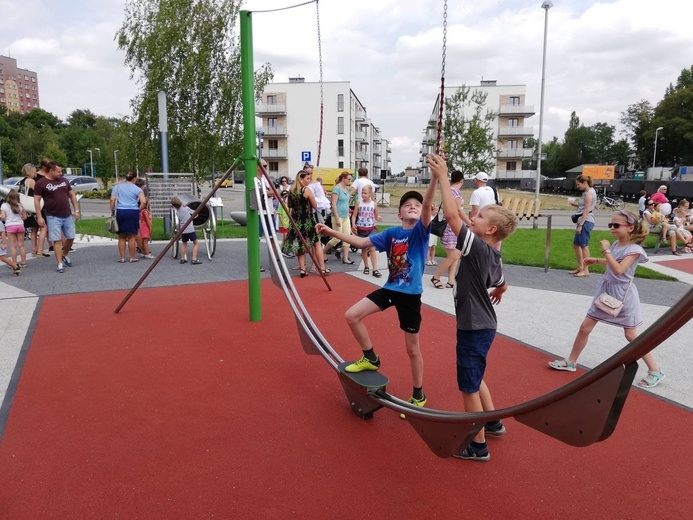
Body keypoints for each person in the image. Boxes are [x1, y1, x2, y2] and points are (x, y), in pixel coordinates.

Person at [316, 182, 435, 415]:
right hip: (391, 289)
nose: (413, 207)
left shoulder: (420, 233)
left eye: (417, 206)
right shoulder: (391, 233)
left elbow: (429, 205)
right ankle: (370, 357)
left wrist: (434, 178)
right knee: (352, 315)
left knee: (412, 349)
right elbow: (361, 243)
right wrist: (332, 232)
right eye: (408, 205)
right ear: (399, 214)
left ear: (422, 213)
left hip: (410, 296)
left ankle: (418, 394)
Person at [429, 153, 518, 462]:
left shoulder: (476, 246)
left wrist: (443, 177)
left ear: (489, 231)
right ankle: (492, 421)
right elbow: (502, 281)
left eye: (478, 218)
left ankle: (477, 445)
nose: (472, 218)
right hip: (484, 325)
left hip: (474, 326)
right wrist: (501, 291)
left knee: (468, 385)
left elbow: (453, 219)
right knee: (477, 376)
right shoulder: (494, 254)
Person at [549, 210, 665, 389]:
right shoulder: (616, 245)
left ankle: (655, 370)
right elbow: (613, 262)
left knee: (631, 335)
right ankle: (571, 362)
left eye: (616, 225)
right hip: (606, 292)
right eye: (611, 224)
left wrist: (605, 250)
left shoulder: (634, 250)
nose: (611, 228)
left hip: (623, 296)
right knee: (585, 327)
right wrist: (597, 260)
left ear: (630, 228)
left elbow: (619, 269)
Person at [33, 162, 80, 274]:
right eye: (58, 171)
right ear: (51, 171)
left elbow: (72, 195)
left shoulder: (64, 181)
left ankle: (64, 255)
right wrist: (39, 217)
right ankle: (59, 263)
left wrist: (76, 210)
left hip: (67, 214)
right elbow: (36, 200)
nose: (61, 173)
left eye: (61, 171)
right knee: (56, 240)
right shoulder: (41, 183)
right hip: (53, 216)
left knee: (71, 237)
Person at [281, 170, 327, 277]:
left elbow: (290, 206)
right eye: (307, 178)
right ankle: (322, 268)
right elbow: (315, 205)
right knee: (316, 243)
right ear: (301, 179)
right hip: (307, 219)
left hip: (296, 220)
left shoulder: (291, 191)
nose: (309, 180)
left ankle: (302, 269)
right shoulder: (306, 190)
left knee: (300, 243)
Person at [431, 169, 470, 289]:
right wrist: (469, 222)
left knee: (455, 255)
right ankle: (436, 276)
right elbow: (458, 210)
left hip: (451, 227)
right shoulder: (456, 193)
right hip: (453, 227)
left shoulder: (448, 191)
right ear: (462, 181)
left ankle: (451, 280)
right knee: (454, 255)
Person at [111, 170, 146, 263]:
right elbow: (143, 201)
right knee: (131, 236)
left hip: (120, 211)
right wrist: (139, 209)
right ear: (134, 178)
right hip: (132, 211)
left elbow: (112, 200)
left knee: (121, 236)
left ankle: (122, 257)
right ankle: (132, 257)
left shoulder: (117, 187)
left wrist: (112, 210)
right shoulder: (137, 189)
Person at [351, 184, 382, 277]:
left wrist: (378, 217)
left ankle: (375, 269)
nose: (363, 195)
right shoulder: (359, 203)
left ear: (370, 194)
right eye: (362, 193)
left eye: (365, 193)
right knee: (364, 249)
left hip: (371, 229)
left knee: (372, 249)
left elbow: (376, 215)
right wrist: (353, 224)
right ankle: (366, 266)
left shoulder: (374, 204)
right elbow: (354, 215)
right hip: (361, 229)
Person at [568, 175, 596, 277]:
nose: (577, 186)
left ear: (585, 183)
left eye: (578, 184)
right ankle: (580, 267)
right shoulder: (588, 192)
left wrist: (581, 224)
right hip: (584, 220)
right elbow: (584, 206)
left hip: (586, 220)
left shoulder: (589, 193)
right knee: (576, 244)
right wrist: (574, 205)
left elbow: (586, 210)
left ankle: (585, 269)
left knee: (584, 245)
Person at [18, 163, 48, 258]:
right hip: (35, 208)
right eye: (35, 170)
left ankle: (34, 250)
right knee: (43, 228)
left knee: (34, 229)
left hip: (27, 209)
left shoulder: (22, 181)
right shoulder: (31, 181)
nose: (36, 172)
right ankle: (40, 250)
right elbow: (38, 193)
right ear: (31, 171)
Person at [322, 172, 353, 263]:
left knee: (347, 237)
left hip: (345, 216)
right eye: (348, 179)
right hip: (337, 216)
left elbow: (346, 202)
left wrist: (348, 213)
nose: (349, 181)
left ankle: (345, 258)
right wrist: (337, 217)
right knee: (337, 237)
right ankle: (323, 252)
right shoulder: (337, 188)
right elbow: (333, 204)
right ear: (343, 178)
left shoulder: (347, 189)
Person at [1, 190, 28, 268]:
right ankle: (23, 263)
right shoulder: (20, 205)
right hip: (20, 225)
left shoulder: (4, 205)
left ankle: (14, 263)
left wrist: (6, 220)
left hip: (10, 226)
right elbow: (25, 217)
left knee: (13, 246)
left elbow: (2, 217)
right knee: (21, 245)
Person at [171, 196, 202, 265]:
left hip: (183, 230)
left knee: (184, 244)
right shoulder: (186, 209)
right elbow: (194, 213)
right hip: (190, 229)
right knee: (196, 243)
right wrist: (196, 215)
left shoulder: (177, 212)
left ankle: (182, 258)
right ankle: (194, 259)